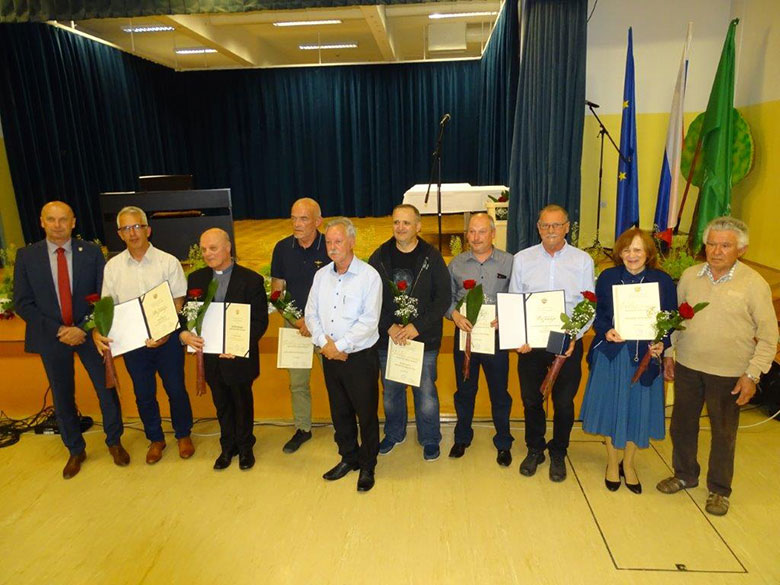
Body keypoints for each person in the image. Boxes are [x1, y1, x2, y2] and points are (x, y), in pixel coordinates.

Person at [657, 217, 777, 516]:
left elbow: (769, 336)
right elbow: (674, 320)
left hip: (729, 374)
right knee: (682, 425)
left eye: (725, 245)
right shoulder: (690, 276)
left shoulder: (754, 284)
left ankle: (719, 490)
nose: (716, 251)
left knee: (724, 433)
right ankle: (685, 474)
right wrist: (669, 353)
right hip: (688, 366)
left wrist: (752, 375)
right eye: (711, 244)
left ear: (742, 249)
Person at [13, 201, 127, 479]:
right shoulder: (27, 256)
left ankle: (114, 441)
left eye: (63, 219)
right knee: (62, 395)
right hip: (51, 337)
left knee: (106, 389)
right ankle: (75, 449)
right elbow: (23, 303)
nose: (57, 225)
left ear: (73, 222)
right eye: (51, 219)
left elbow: (104, 295)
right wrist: (60, 330)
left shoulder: (91, 252)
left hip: (90, 334)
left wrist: (83, 328)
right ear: (41, 222)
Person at [93, 206, 195, 465]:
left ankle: (183, 434)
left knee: (176, 389)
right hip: (133, 343)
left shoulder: (168, 262)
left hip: (167, 340)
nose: (132, 233)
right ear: (119, 234)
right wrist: (98, 329)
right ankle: (155, 438)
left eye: (137, 226)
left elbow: (178, 302)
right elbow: (108, 305)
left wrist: (163, 332)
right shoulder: (113, 267)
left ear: (148, 230)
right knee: (144, 393)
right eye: (126, 228)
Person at [580, 228, 677, 494]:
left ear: (648, 253)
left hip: (646, 356)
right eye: (626, 250)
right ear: (619, 253)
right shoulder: (609, 277)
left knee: (638, 409)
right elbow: (599, 314)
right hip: (613, 354)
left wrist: (662, 342)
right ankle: (613, 463)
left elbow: (670, 319)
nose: (631, 255)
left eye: (637, 250)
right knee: (611, 408)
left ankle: (630, 464)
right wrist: (606, 330)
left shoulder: (662, 281)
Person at [508, 204, 595, 482]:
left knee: (564, 402)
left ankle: (559, 450)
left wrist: (575, 335)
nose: (551, 230)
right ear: (538, 228)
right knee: (531, 399)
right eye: (545, 225)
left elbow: (589, 304)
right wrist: (519, 336)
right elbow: (515, 300)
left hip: (566, 339)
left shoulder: (582, 261)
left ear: (567, 227)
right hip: (532, 342)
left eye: (556, 225)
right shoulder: (522, 259)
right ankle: (535, 448)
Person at [180, 228, 268, 470]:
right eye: (204, 249)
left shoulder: (251, 280)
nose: (207, 254)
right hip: (210, 357)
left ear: (228, 248)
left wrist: (236, 345)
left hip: (238, 357)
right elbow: (187, 314)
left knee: (242, 403)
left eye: (213, 248)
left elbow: (259, 321)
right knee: (222, 405)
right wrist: (185, 333)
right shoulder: (196, 279)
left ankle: (246, 446)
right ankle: (227, 446)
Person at [368, 204, 451, 461]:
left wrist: (417, 326)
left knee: (425, 393)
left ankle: (430, 438)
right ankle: (394, 433)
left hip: (423, 339)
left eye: (406, 223)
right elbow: (369, 297)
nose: (400, 227)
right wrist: (389, 326)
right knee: (391, 392)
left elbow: (443, 299)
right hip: (389, 340)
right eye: (396, 222)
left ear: (418, 226)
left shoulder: (432, 257)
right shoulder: (379, 257)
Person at [305, 218, 382, 492]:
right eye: (328, 242)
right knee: (339, 411)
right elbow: (311, 314)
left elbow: (369, 321)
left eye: (338, 241)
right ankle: (349, 457)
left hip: (359, 358)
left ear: (352, 242)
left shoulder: (369, 276)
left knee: (366, 413)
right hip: (329, 356)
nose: (332, 247)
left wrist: (340, 346)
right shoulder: (320, 276)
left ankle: (368, 463)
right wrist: (324, 344)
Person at [446, 213, 514, 466]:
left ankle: (504, 442)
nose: (476, 237)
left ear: (493, 234)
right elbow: (446, 298)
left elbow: (518, 295)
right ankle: (462, 437)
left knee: (499, 393)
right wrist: (454, 314)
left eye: (482, 231)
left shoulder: (509, 262)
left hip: (496, 338)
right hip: (465, 337)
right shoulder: (456, 264)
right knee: (465, 391)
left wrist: (507, 316)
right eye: (472, 232)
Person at [271, 198, 330, 454]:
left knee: (336, 380)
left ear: (318, 221)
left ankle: (344, 425)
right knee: (297, 383)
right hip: (294, 325)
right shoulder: (282, 248)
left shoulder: (330, 245)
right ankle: (303, 428)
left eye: (303, 218)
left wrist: (314, 322)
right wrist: (298, 321)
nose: (297, 223)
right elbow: (276, 294)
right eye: (293, 218)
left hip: (326, 326)